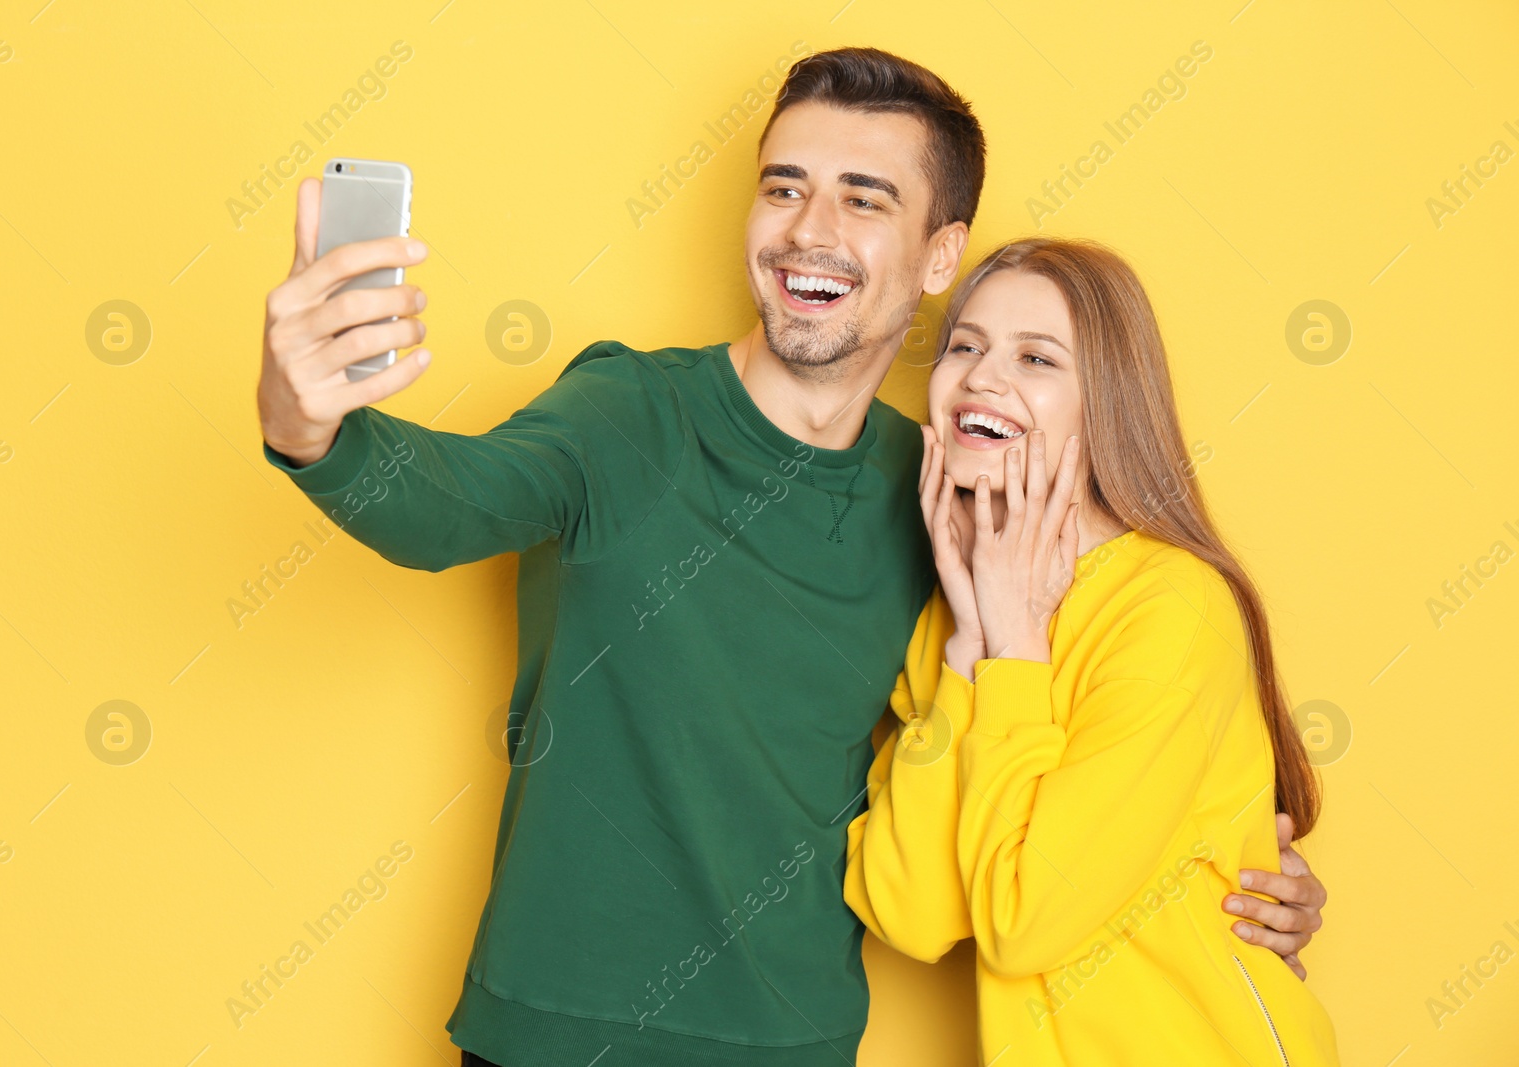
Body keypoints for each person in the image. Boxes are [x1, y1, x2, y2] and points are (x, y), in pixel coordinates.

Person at [257, 48, 1327, 1067]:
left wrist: (1218, 864)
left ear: (938, 255)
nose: (809, 230)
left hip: (795, 1037)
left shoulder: (941, 501)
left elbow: (1069, 784)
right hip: (550, 1026)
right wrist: (310, 422)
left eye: (864, 199)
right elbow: (447, 509)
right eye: (782, 189)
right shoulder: (630, 412)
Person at [844, 236, 1341, 1064]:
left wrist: (1015, 651)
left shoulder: (1173, 606)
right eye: (964, 344)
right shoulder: (951, 616)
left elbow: (1024, 921)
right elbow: (912, 914)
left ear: (1105, 400)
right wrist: (973, 643)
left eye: (1036, 358)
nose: (981, 376)